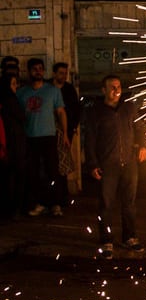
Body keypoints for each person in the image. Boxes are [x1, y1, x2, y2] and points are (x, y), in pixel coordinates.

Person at [84, 75, 146, 260]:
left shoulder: (128, 108)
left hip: (128, 163)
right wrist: (92, 164)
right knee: (106, 204)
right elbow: (90, 141)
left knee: (129, 203)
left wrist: (143, 145)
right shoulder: (96, 112)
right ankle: (106, 240)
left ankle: (129, 237)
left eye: (118, 86)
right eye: (112, 87)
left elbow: (140, 128)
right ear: (103, 90)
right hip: (107, 165)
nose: (116, 90)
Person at [17, 58, 68, 217]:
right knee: (33, 172)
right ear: (29, 71)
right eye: (34, 69)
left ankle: (55, 204)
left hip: (48, 136)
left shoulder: (52, 91)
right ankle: (38, 203)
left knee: (52, 171)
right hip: (30, 137)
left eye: (40, 69)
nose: (38, 71)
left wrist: (65, 134)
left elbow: (61, 112)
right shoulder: (22, 93)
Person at [51, 62, 81, 216]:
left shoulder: (69, 89)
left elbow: (75, 109)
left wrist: (72, 129)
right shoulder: (49, 88)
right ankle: (53, 198)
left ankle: (62, 197)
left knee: (63, 165)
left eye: (65, 73)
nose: (64, 76)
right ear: (54, 73)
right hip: (49, 132)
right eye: (61, 73)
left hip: (65, 132)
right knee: (52, 165)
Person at [0, 73, 26, 220]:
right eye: (13, 84)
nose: (16, 87)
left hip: (9, 143)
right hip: (13, 144)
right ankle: (13, 209)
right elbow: (21, 117)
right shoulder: (10, 100)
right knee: (14, 177)